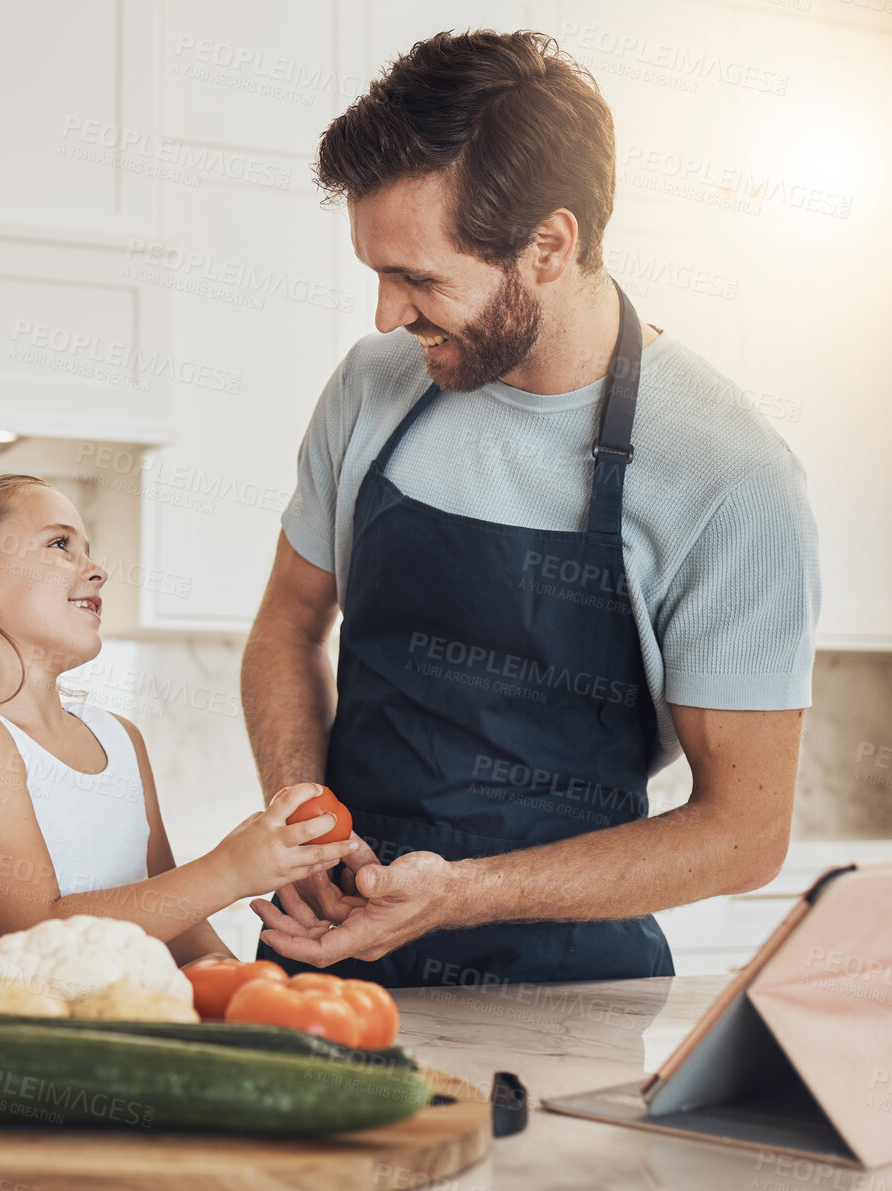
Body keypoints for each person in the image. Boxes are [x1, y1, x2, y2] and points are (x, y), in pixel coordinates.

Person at [242, 30, 819, 987]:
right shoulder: (373, 385)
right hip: (321, 962)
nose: (385, 316)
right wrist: (301, 825)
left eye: (418, 278)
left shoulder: (729, 475)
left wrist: (461, 892)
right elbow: (286, 625)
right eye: (376, 272)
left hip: (568, 989)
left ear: (549, 244)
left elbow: (743, 834)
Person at [0, 466, 352, 960]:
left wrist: (239, 982)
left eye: (86, 549)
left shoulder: (118, 738)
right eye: (59, 545)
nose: (97, 569)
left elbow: (176, 925)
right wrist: (229, 871)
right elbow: (35, 933)